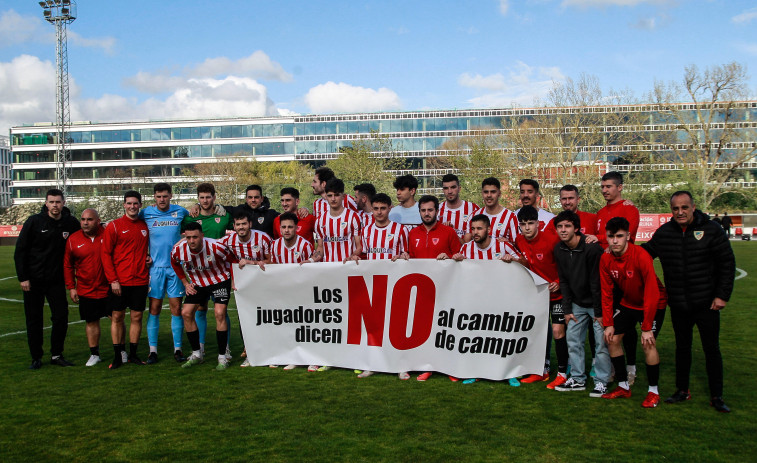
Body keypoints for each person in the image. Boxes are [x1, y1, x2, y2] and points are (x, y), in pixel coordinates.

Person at [642, 191, 736, 413]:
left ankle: (717, 396)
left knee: (711, 349)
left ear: (693, 207)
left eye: (684, 207)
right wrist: (618, 248)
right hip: (679, 304)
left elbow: (727, 263)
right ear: (671, 209)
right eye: (675, 208)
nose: (680, 212)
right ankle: (682, 390)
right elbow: (645, 253)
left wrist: (722, 295)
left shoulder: (712, 230)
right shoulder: (665, 232)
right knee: (682, 348)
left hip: (707, 303)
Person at [599, 217, 667, 408]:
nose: (614, 241)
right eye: (611, 236)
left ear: (629, 236)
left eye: (619, 236)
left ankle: (653, 392)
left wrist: (646, 327)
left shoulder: (641, 255)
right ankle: (622, 386)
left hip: (653, 303)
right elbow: (606, 293)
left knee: (648, 343)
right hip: (628, 302)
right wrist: (608, 323)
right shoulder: (605, 259)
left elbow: (652, 292)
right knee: (611, 338)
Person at [15, 188, 80, 369]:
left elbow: (85, 234)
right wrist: (23, 278)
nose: (55, 205)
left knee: (61, 317)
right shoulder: (34, 222)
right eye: (51, 202)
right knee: (34, 319)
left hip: (56, 280)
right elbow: (20, 251)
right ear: (46, 203)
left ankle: (56, 354)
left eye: (58, 202)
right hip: (33, 281)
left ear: (63, 203)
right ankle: (36, 357)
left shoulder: (70, 223)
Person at [453, 214, 520, 386]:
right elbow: (454, 270)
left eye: (479, 228)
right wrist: (454, 260)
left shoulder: (503, 246)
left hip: (500, 300)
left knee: (501, 338)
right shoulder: (466, 248)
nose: (475, 232)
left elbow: (525, 263)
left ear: (489, 230)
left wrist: (512, 259)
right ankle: (475, 371)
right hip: (476, 301)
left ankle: (508, 373)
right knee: (477, 338)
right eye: (473, 229)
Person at [399, 195, 461, 382]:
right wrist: (405, 255)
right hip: (422, 291)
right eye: (423, 210)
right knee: (424, 330)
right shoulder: (413, 234)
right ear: (419, 212)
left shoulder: (448, 232)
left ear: (437, 211)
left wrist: (449, 257)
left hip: (445, 289)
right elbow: (410, 255)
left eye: (430, 210)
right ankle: (427, 366)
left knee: (446, 329)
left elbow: (460, 257)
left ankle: (451, 366)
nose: (427, 214)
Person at [348, 193, 409, 380]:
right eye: (376, 208)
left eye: (383, 208)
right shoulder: (366, 231)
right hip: (373, 284)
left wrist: (404, 256)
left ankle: (401, 365)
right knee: (373, 328)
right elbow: (365, 255)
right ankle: (372, 364)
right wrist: (357, 257)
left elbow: (407, 254)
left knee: (396, 326)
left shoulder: (400, 230)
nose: (379, 212)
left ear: (390, 208)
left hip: (395, 284)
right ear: (372, 209)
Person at [552, 211, 612, 397]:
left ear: (576, 228)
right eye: (560, 226)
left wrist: (599, 311)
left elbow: (598, 281)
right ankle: (578, 379)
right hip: (576, 303)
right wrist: (568, 309)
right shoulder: (558, 249)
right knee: (573, 341)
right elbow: (563, 280)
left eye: (567, 226)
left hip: (596, 303)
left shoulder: (591, 248)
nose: (563, 230)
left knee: (601, 344)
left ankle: (602, 381)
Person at [509, 206, 567, 389]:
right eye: (523, 224)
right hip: (538, 295)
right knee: (538, 332)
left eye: (530, 224)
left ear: (538, 224)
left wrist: (558, 281)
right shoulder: (519, 240)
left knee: (558, 331)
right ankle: (541, 370)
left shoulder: (552, 241)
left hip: (557, 294)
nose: (527, 228)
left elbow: (567, 264)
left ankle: (563, 373)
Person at [311, 178, 362, 372]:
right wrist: (311, 260)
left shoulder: (353, 217)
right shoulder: (321, 220)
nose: (332, 199)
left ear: (343, 195)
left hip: (349, 273)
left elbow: (359, 247)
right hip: (328, 275)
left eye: (336, 195)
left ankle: (354, 358)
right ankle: (329, 357)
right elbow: (320, 250)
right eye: (329, 195)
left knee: (351, 317)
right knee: (331, 317)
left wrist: (352, 256)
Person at [596, 171, 641, 385]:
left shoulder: (629, 209)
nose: (605, 190)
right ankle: (616, 366)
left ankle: (631, 367)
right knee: (611, 323)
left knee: (627, 325)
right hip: (607, 275)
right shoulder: (600, 212)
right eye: (603, 186)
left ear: (620, 187)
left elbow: (624, 239)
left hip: (626, 275)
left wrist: (597, 239)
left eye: (609, 186)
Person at [171, 222, 235, 370]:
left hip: (219, 279)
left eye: (195, 237)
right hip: (198, 283)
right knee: (186, 313)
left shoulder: (216, 246)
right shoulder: (178, 250)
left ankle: (222, 356)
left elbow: (233, 261)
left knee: (220, 313)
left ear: (202, 236)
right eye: (188, 237)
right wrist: (185, 283)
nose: (192, 241)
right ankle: (196, 354)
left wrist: (233, 280)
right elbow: (174, 263)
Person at [182, 183, 232, 359]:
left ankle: (225, 348)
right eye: (201, 198)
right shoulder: (190, 219)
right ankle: (200, 347)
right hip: (200, 274)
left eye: (208, 197)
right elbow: (184, 242)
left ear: (214, 197)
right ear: (198, 199)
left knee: (221, 311)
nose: (205, 201)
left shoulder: (225, 215)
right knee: (199, 309)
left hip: (220, 272)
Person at [140, 183, 189, 364]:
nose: (162, 199)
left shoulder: (180, 211)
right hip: (155, 269)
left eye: (165, 196)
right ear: (154, 197)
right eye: (159, 196)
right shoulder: (145, 213)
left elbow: (195, 215)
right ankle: (153, 351)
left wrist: (196, 207)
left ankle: (178, 349)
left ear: (171, 196)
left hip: (175, 268)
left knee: (176, 309)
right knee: (155, 308)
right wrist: (144, 254)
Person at [101, 190, 150, 369]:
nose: (132, 206)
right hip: (120, 282)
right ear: (124, 205)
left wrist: (149, 257)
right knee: (117, 317)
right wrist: (113, 280)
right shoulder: (114, 226)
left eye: (135, 203)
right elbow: (105, 255)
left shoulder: (144, 226)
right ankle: (118, 355)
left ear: (140, 205)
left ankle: (133, 355)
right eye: (129, 203)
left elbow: (146, 249)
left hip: (140, 280)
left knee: (137, 317)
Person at [219, 210, 272, 367]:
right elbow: (213, 246)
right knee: (245, 317)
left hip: (265, 282)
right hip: (244, 284)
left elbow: (272, 260)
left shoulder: (263, 238)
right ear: (234, 226)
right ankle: (250, 351)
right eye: (238, 224)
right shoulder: (229, 240)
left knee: (267, 315)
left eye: (244, 224)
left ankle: (269, 350)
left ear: (250, 224)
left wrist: (251, 263)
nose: (241, 227)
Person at [266, 212, 315, 370]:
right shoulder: (274, 245)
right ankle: (283, 356)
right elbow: (272, 266)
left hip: (301, 292)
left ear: (296, 228)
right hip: (282, 291)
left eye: (290, 227)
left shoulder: (305, 246)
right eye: (283, 227)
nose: (286, 230)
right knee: (283, 324)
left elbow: (311, 270)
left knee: (299, 325)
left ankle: (297, 357)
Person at [63, 208, 109, 367]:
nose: (85, 223)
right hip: (86, 288)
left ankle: (121, 351)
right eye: (83, 219)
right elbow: (68, 265)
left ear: (98, 221)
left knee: (117, 319)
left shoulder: (108, 234)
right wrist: (71, 287)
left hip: (109, 287)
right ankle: (94, 354)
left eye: (89, 219)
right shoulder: (73, 239)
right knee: (91, 321)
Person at [464, 177, 518, 244]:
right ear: (482, 193)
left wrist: (508, 243)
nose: (489, 195)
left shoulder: (510, 217)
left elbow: (516, 244)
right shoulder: (474, 215)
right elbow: (467, 241)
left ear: (499, 193)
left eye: (493, 192)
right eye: (486, 192)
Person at [438, 173, 478, 242]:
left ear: (459, 188)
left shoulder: (473, 208)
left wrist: (451, 232)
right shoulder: (437, 210)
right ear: (443, 190)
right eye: (446, 188)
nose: (449, 191)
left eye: (453, 187)